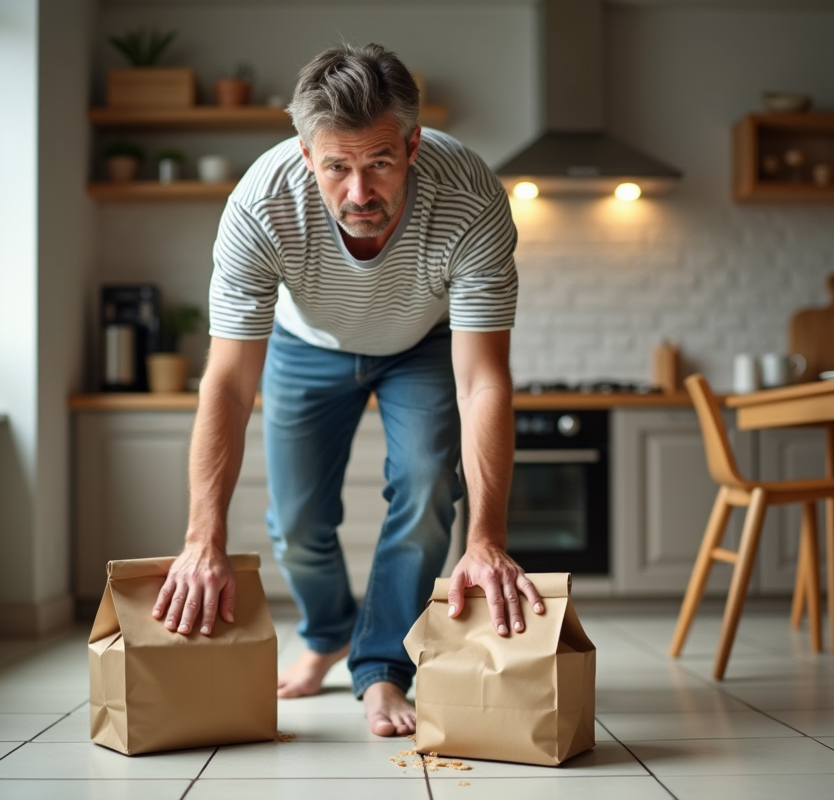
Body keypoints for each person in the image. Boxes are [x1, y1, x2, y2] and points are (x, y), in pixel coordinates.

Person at [150, 42, 543, 737]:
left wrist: (487, 538)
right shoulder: (260, 205)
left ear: (414, 145)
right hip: (308, 346)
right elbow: (229, 384)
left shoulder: (472, 196)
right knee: (297, 523)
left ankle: (382, 669)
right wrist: (200, 537)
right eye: (337, 167)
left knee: (427, 488)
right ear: (307, 156)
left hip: (423, 343)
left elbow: (483, 382)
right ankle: (328, 633)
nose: (359, 194)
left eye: (380, 164)